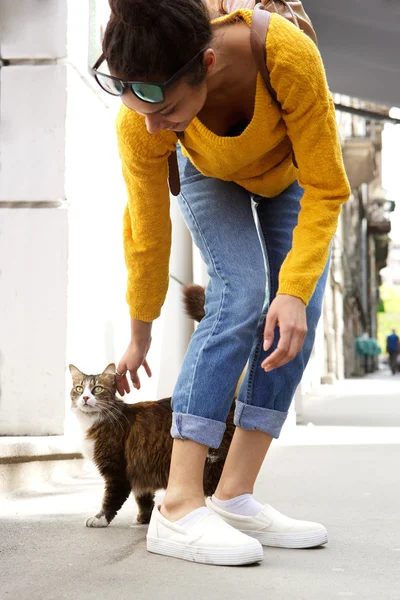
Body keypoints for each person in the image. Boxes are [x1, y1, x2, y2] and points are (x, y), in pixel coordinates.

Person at [92, 0, 350, 565]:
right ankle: (179, 507)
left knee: (293, 309)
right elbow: (147, 230)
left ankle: (234, 495)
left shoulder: (286, 55)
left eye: (167, 110)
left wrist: (295, 290)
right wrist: (140, 332)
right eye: (141, 112)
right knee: (241, 293)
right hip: (209, 173)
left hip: (291, 176)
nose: (153, 126)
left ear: (207, 63)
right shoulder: (144, 124)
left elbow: (327, 186)